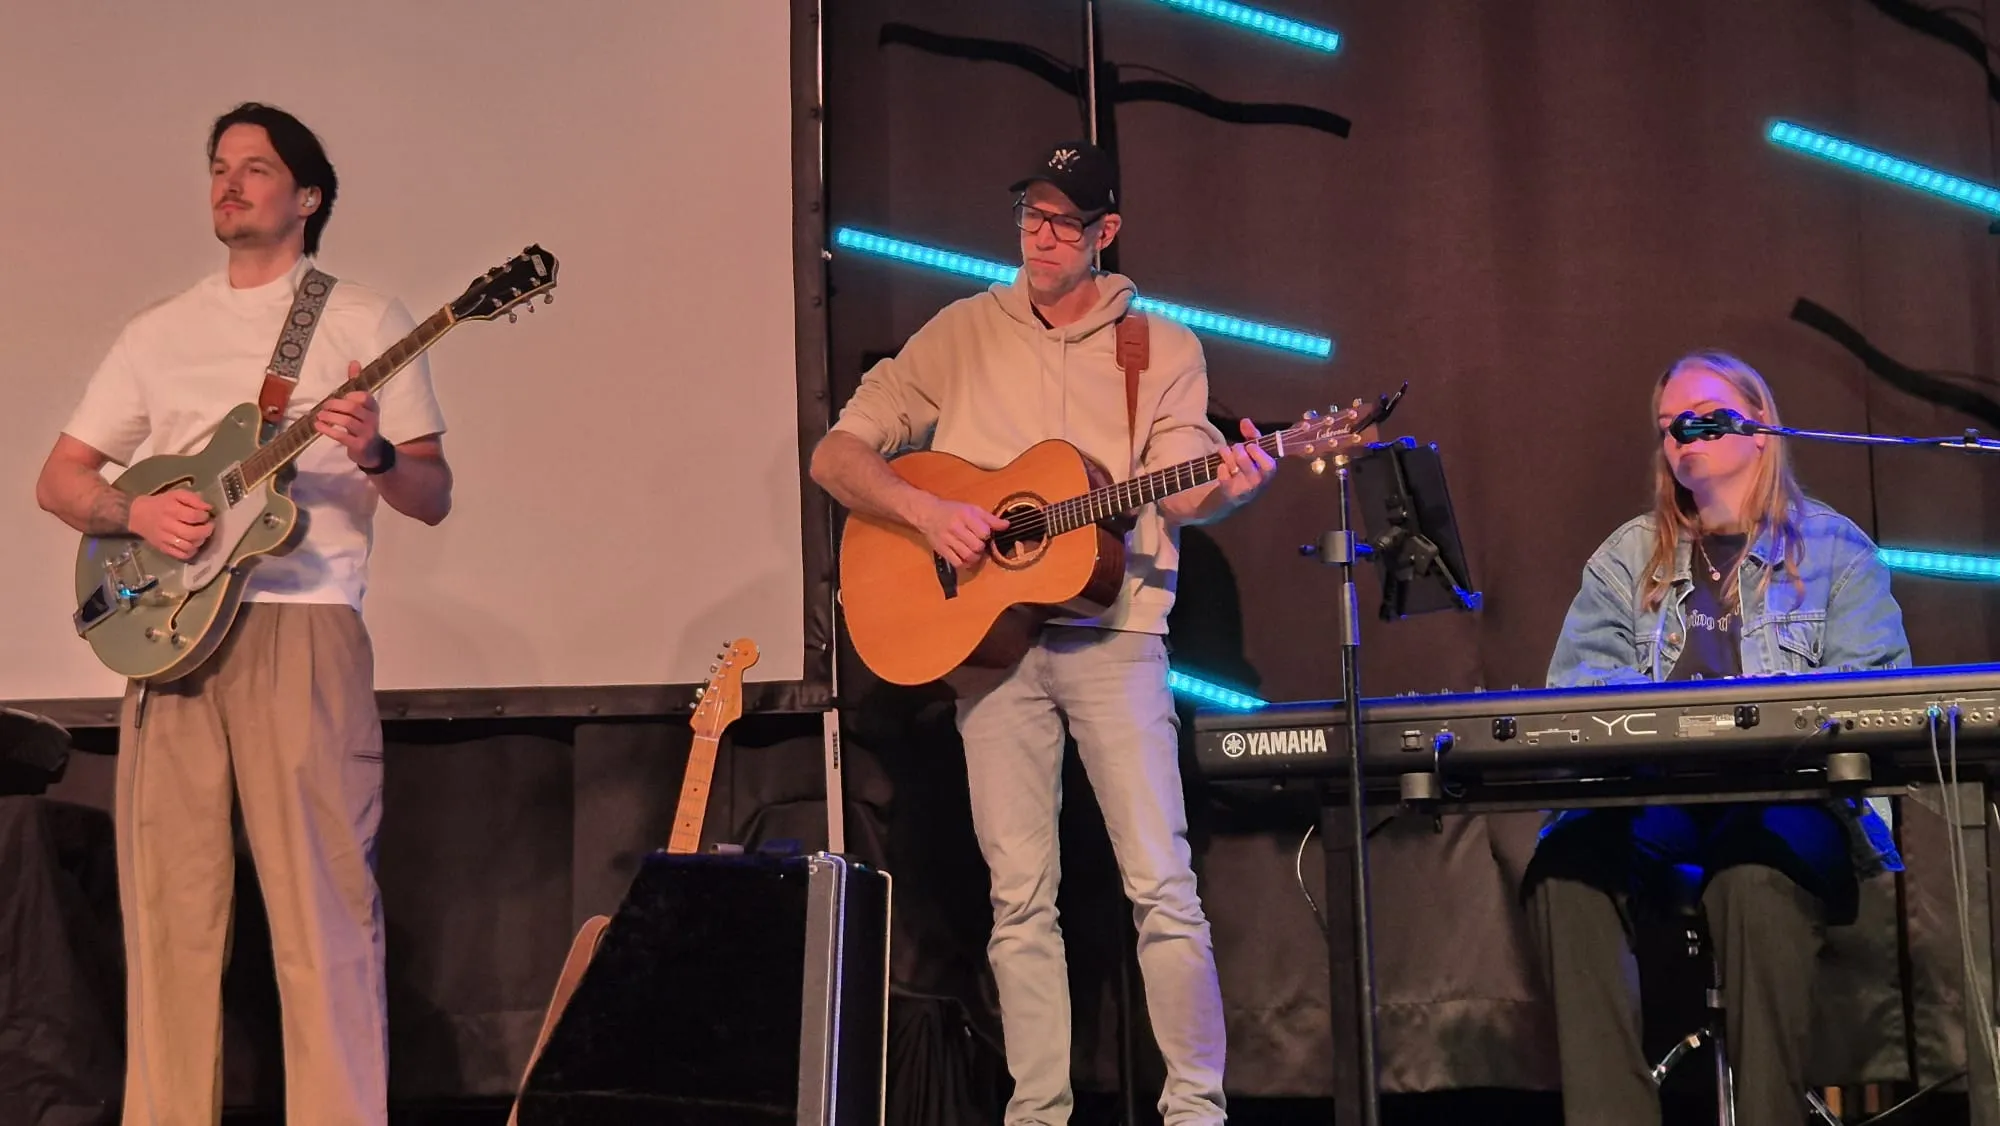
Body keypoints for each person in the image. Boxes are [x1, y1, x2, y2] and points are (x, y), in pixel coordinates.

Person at [811, 140, 1275, 1124]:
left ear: (1105, 233)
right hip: (990, 647)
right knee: (1019, 898)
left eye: (1064, 220)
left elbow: (1186, 481)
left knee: (1160, 885)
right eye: (1030, 213)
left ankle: (1195, 1108)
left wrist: (1226, 488)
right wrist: (925, 512)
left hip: (1117, 637)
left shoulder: (1160, 345)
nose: (1040, 235)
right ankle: (1038, 1112)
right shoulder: (960, 331)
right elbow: (838, 454)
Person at [33, 102, 452, 1125]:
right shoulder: (158, 331)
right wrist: (137, 508)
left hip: (300, 629)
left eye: (256, 168)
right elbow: (60, 479)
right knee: (170, 918)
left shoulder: (362, 319)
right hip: (170, 646)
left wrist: (373, 454)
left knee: (323, 917)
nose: (229, 182)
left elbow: (431, 492)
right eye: (219, 166)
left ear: (306, 198)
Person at [1524, 350, 1910, 1126]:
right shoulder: (1628, 557)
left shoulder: (1837, 552)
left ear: (1758, 426)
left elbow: (1875, 700)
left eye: (1701, 418)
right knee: (1565, 867)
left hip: (1797, 797)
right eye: (1670, 428)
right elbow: (1574, 693)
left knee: (1752, 878)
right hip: (1663, 793)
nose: (1682, 439)